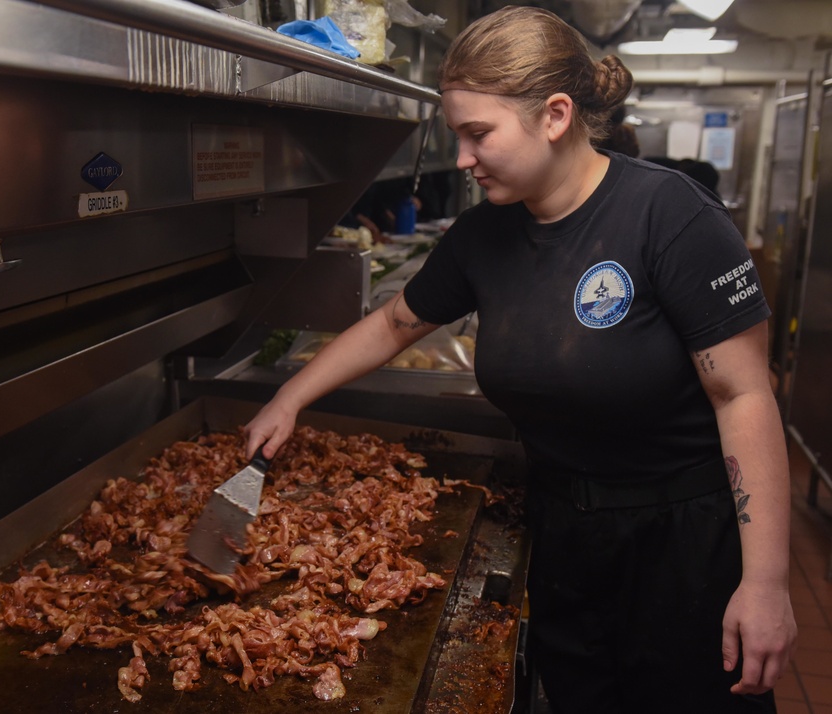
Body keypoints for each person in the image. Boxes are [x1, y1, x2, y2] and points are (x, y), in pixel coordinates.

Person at [244, 6, 796, 713]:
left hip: (683, 544)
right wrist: (289, 397)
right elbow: (392, 324)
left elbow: (743, 397)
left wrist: (766, 583)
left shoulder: (672, 217)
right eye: (458, 136)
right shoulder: (482, 236)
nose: (463, 159)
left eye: (479, 134)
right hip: (563, 536)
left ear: (556, 115)